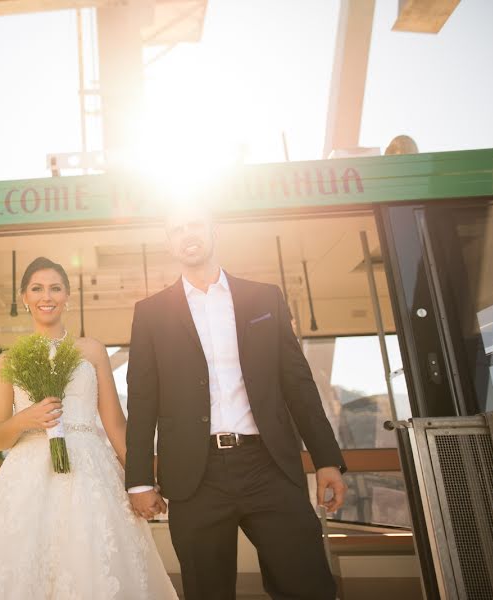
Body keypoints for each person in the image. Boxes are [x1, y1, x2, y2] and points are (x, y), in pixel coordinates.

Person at [125, 202, 348, 599]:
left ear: (215, 231)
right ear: (168, 242)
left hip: (270, 466)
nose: (187, 235)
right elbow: (142, 401)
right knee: (207, 591)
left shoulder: (264, 299)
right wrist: (139, 481)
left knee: (309, 584)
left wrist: (326, 458)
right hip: (196, 478)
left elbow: (298, 383)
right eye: (176, 229)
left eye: (195, 224)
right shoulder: (150, 313)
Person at [0, 257, 178, 600]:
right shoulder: (8, 360)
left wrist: (142, 481)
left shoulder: (91, 350)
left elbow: (116, 424)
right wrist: (26, 418)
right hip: (27, 476)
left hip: (90, 474)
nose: (47, 296)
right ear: (24, 297)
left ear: (68, 296)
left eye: (55, 288)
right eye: (37, 288)